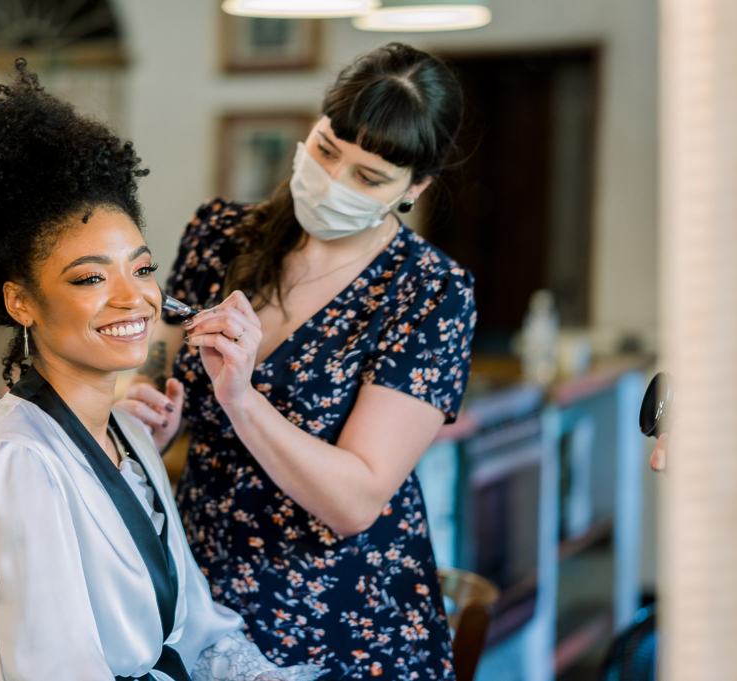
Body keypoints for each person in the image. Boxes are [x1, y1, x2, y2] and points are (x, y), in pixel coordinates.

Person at [0, 60, 322, 681]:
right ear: (21, 302)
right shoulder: (14, 462)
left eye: (141, 269)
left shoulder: (132, 437)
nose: (133, 298)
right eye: (91, 278)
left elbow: (197, 629)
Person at [119, 43, 474, 680]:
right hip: (201, 589)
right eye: (327, 149)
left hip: (343, 617)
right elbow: (160, 357)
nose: (334, 182)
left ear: (414, 187)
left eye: (368, 178)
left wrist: (243, 402)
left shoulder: (430, 291)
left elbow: (357, 500)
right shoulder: (219, 233)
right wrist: (148, 402)